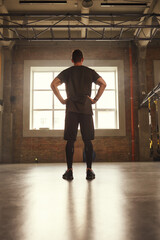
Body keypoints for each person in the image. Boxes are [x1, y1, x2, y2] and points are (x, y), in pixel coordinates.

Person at [50, 49, 106, 181]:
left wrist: (62, 100)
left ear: (72, 60)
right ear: (82, 59)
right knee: (88, 140)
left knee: (70, 140)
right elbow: (103, 84)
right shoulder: (89, 71)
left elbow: (53, 84)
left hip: (71, 109)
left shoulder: (67, 72)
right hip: (86, 108)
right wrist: (95, 99)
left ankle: (69, 171)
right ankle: (89, 171)